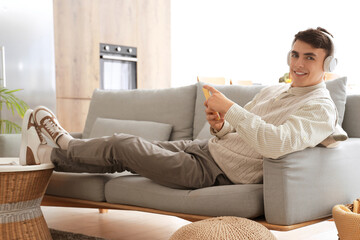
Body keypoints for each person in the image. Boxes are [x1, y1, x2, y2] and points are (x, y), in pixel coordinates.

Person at [20, 27, 338, 189]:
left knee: (122, 144)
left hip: (216, 173)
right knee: (122, 145)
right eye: (295, 54)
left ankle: (58, 147)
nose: (298, 63)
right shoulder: (276, 90)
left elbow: (275, 144)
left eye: (309, 57)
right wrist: (220, 124)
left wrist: (231, 108)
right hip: (205, 149)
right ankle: (47, 155)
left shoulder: (320, 109)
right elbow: (239, 130)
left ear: (328, 64)